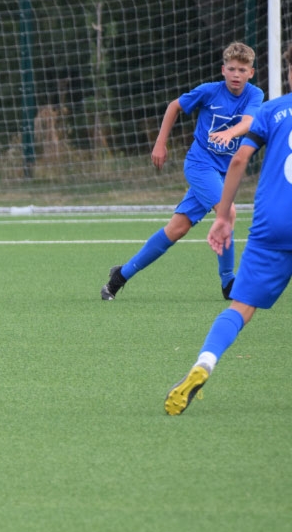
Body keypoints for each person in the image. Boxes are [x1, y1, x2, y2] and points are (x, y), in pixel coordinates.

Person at [165, 44, 292, 415]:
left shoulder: (271, 109)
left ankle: (204, 362)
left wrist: (222, 217)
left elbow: (239, 158)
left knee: (241, 307)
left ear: (288, 74)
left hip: (272, 226)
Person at [101, 42, 263, 302]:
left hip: (223, 173)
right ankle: (228, 283)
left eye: (242, 70)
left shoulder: (255, 95)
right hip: (199, 166)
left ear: (251, 73)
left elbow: (249, 121)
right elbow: (175, 106)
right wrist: (160, 143)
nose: (236, 74)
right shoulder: (209, 92)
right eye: (231, 68)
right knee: (228, 211)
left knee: (176, 229)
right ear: (223, 70)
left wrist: (230, 133)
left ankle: (120, 276)